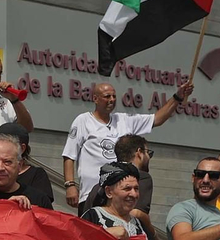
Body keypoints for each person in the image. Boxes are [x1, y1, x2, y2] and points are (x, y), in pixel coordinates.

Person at [62, 78, 193, 212]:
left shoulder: (124, 120)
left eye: (114, 96)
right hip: (91, 195)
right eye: (107, 96)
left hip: (119, 197)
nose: (112, 99)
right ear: (95, 99)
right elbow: (69, 155)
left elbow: (157, 119)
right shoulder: (83, 121)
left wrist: (177, 97)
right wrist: (70, 185)